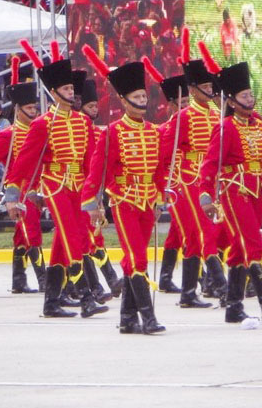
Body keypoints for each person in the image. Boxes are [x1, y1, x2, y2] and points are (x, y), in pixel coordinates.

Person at [3, 45, 106, 319]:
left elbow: (89, 162)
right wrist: (13, 195)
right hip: (55, 184)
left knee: (66, 242)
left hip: (79, 187)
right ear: (54, 92)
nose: (72, 94)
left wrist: (94, 195)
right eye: (67, 90)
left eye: (73, 90)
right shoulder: (42, 124)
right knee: (72, 238)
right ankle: (86, 297)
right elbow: (23, 162)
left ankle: (51, 303)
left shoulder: (83, 123)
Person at [198, 60, 262, 324]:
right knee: (253, 244)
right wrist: (205, 193)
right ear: (233, 102)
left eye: (250, 94)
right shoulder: (225, 127)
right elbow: (210, 163)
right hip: (234, 192)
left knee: (238, 250)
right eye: (244, 96)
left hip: (257, 191)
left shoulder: (260, 126)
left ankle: (234, 306)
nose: (249, 99)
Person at [81, 60, 166, 335]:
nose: (142, 101)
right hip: (124, 201)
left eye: (144, 96)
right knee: (138, 258)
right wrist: (92, 203)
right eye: (137, 97)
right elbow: (96, 171)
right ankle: (148, 318)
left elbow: (160, 171)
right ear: (124, 100)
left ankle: (128, 318)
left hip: (148, 201)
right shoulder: (113, 132)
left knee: (134, 260)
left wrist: (160, 199)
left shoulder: (154, 132)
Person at [160, 46, 225, 308]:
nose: (210, 91)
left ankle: (188, 293)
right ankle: (222, 286)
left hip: (211, 181)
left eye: (212, 86)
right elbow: (165, 152)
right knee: (202, 232)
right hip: (187, 181)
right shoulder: (183, 118)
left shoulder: (217, 116)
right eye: (205, 87)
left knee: (201, 237)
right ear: (194, 90)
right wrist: (168, 182)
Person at [0, 71, 45, 294]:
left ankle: (18, 280)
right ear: (18, 110)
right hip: (18, 191)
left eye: (35, 109)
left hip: (38, 189)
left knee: (22, 235)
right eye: (29, 109)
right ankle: (44, 280)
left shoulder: (42, 131)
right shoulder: (9, 135)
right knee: (32, 232)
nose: (34, 113)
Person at [72, 70, 122, 299]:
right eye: (90, 106)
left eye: (95, 106)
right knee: (84, 238)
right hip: (73, 188)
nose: (95, 110)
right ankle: (97, 285)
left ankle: (107, 281)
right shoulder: (76, 128)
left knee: (95, 236)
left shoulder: (94, 131)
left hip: (90, 189)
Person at [156, 74, 188, 293]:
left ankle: (166, 278)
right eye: (182, 103)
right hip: (175, 186)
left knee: (178, 231)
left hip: (191, 183)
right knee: (189, 231)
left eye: (188, 102)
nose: (186, 107)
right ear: (172, 105)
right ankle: (205, 278)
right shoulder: (164, 130)